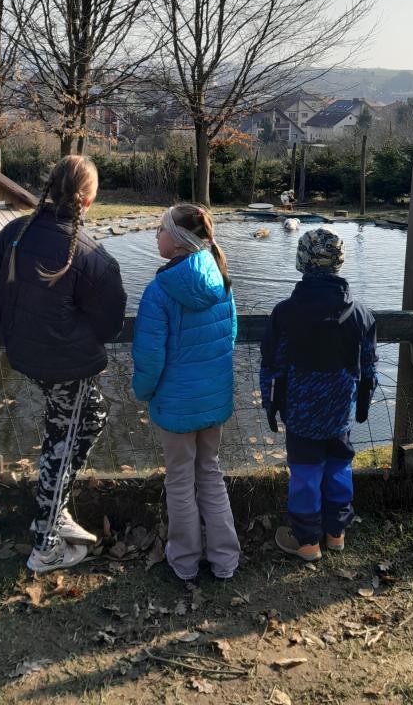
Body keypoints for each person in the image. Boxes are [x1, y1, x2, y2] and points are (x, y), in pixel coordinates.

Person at [0, 155, 127, 573]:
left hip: (28, 356)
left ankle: (55, 511)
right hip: (67, 365)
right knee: (62, 441)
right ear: (88, 200)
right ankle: (46, 546)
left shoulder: (17, 232)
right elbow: (109, 324)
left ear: (50, 188)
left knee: (92, 417)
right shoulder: (94, 256)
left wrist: (12, 323)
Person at [132, 204, 240, 581]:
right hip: (213, 400)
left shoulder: (159, 291)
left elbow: (149, 357)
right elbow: (229, 338)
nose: (156, 236)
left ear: (177, 242)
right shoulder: (221, 280)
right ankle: (225, 560)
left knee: (179, 480)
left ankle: (184, 561)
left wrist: (143, 392)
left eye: (160, 229)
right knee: (210, 472)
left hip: (176, 405)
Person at [260, 227, 378, 562]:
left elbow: (272, 366)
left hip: (300, 414)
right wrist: (362, 406)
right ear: (340, 262)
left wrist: (270, 405)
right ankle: (336, 533)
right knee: (339, 467)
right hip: (340, 412)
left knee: (305, 474)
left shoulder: (285, 313)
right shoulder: (361, 314)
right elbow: (369, 367)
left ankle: (307, 541)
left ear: (302, 262)